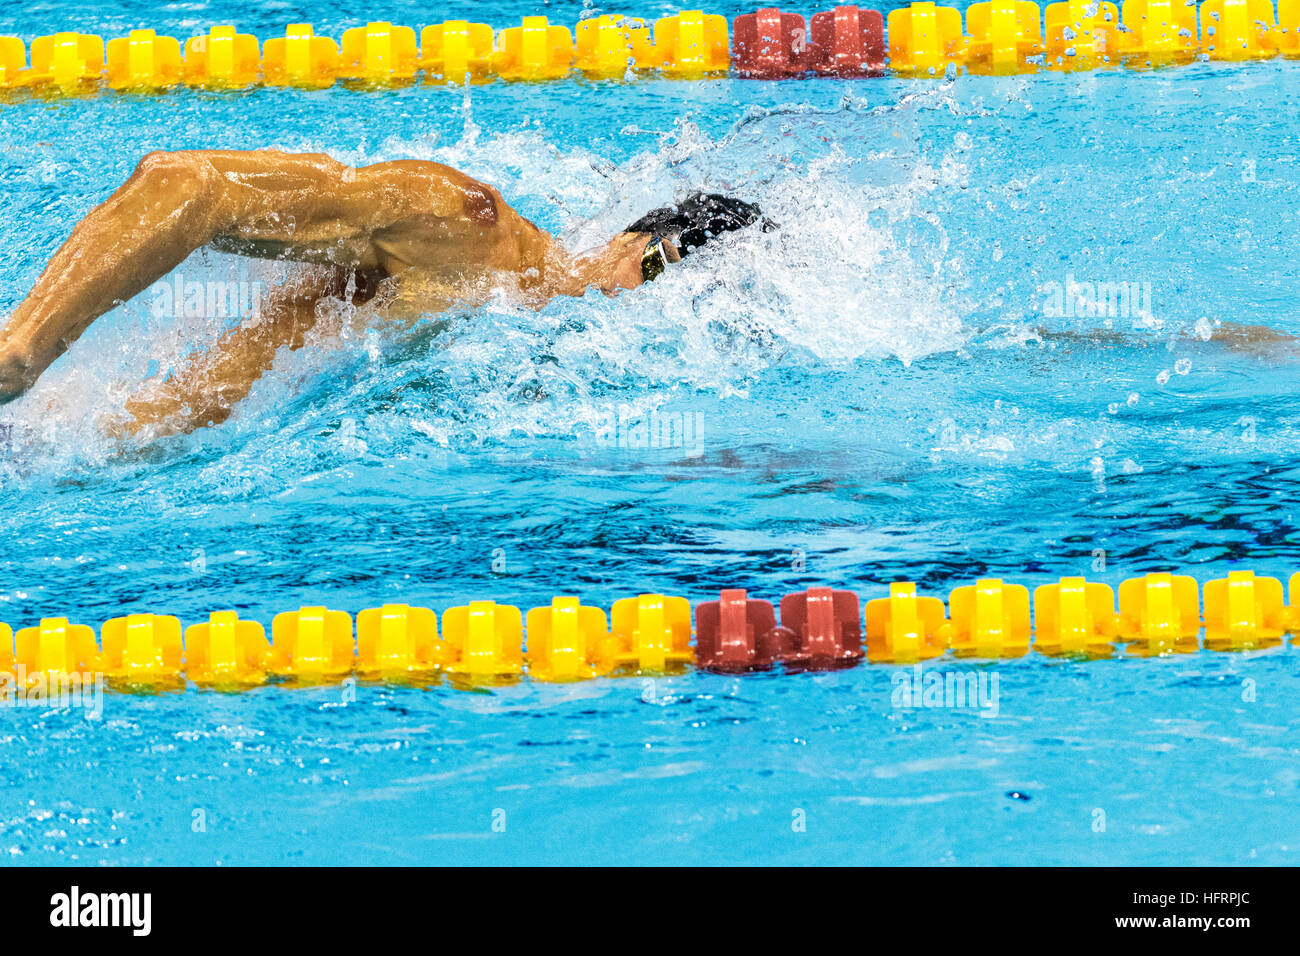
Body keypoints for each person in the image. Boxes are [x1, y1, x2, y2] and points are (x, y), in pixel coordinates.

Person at [0, 149, 767, 433]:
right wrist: (21, 353)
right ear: (632, 240)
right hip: (57, 437)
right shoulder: (468, 223)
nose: (648, 306)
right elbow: (187, 185)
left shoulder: (538, 354)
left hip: (90, 449)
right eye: (661, 271)